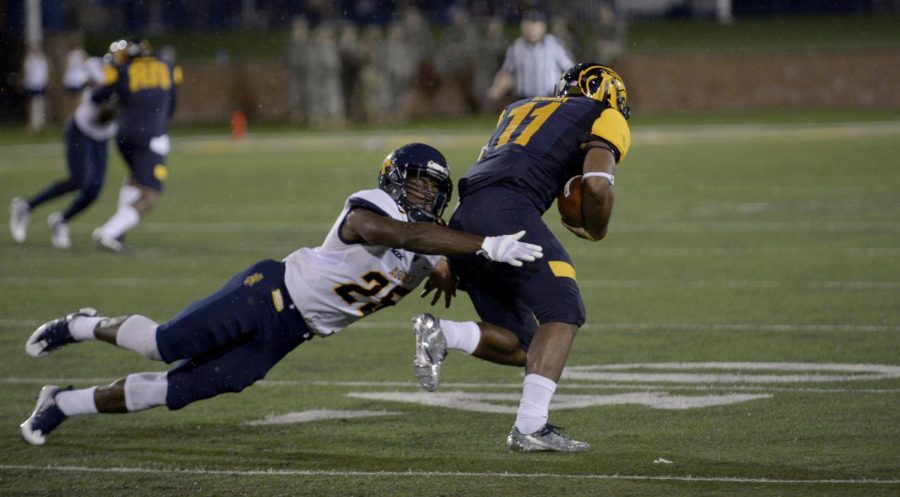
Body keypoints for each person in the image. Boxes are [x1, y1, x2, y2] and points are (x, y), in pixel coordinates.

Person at [19, 143, 543, 446]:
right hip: (268, 291)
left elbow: (437, 258)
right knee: (162, 343)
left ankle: (63, 402)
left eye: (434, 190)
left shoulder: (429, 243)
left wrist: (465, 266)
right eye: (419, 184)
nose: (425, 196)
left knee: (175, 392)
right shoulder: (372, 206)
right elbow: (397, 235)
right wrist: (484, 245)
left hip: (292, 333)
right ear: (393, 180)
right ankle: (82, 323)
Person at [411, 64, 632, 453]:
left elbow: (490, 172)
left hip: (469, 220)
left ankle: (442, 334)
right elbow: (596, 185)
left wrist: (453, 251)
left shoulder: (518, 109)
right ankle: (531, 427)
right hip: (509, 211)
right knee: (564, 309)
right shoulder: (603, 113)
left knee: (525, 345)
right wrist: (597, 228)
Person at [10, 56, 119, 249]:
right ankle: (25, 206)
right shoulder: (103, 69)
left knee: (93, 190)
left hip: (101, 136)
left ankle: (60, 220)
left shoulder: (131, 80)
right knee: (78, 180)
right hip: (81, 130)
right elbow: (94, 82)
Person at [91, 38, 182, 252]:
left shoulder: (123, 70)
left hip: (124, 134)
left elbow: (98, 97)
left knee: (135, 179)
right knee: (150, 194)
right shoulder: (167, 67)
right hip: (150, 135)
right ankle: (109, 233)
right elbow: (172, 105)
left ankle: (117, 232)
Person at [485, 10, 574, 102]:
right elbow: (506, 73)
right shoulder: (517, 47)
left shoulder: (554, 44)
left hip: (551, 98)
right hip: (524, 100)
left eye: (535, 26)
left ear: (543, 27)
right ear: (522, 27)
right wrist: (498, 88)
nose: (531, 30)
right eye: (528, 25)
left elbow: (570, 69)